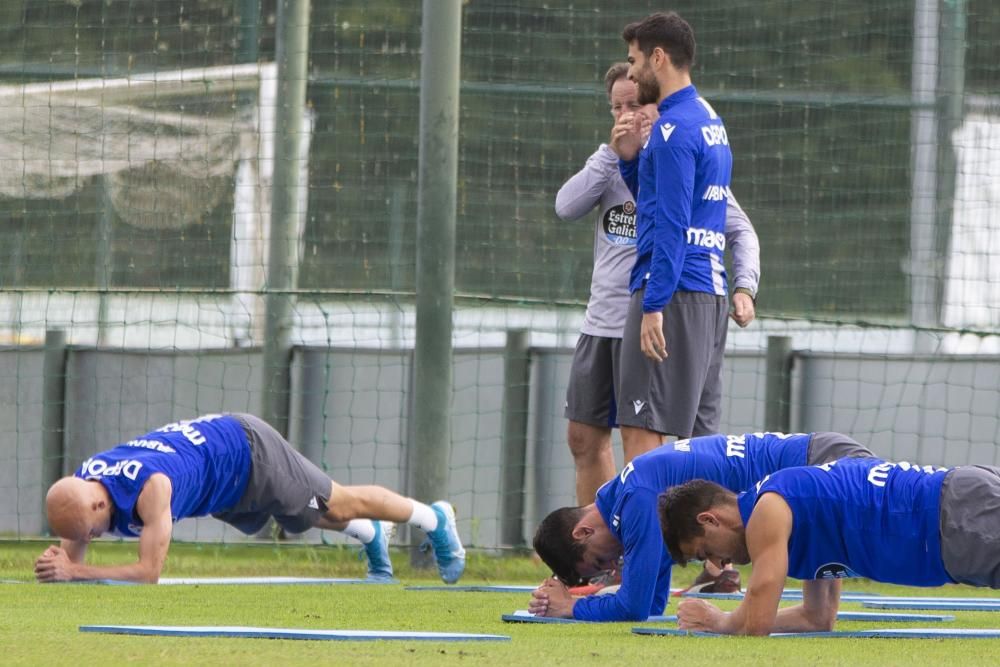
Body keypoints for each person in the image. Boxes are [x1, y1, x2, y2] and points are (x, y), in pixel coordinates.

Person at [556, 61, 760, 506]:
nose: (630, 115)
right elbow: (565, 205)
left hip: (658, 314)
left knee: (654, 439)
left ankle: (665, 547)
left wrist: (744, 286)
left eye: (638, 103)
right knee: (583, 437)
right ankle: (599, 545)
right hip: (603, 322)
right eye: (618, 107)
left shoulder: (679, 154)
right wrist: (614, 155)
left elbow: (738, 229)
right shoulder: (610, 163)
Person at [33, 413, 466, 584]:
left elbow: (149, 573)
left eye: (94, 530)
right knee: (301, 515)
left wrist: (76, 571)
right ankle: (370, 534)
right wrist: (64, 567)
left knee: (337, 503)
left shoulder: (152, 490)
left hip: (247, 453)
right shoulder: (85, 483)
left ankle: (434, 519)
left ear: (97, 505)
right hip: (219, 484)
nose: (93, 537)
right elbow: (75, 554)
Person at [529, 432, 873, 621]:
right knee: (820, 618)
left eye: (600, 562)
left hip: (824, 468)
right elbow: (650, 605)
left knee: (906, 543)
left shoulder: (636, 499)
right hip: (823, 459)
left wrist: (571, 607)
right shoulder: (628, 494)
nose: (613, 566)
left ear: (583, 532)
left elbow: (632, 607)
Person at [659, 456, 1000, 636]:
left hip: (953, 516)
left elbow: (756, 623)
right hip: (955, 517)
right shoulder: (794, 517)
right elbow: (818, 618)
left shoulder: (768, 511)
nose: (717, 564)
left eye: (706, 552)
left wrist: (720, 621)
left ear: (710, 519)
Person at [609, 13, 739, 460]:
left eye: (634, 60)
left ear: (658, 58)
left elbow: (670, 224)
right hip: (709, 292)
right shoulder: (709, 120)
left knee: (642, 439)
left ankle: (650, 535)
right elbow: (668, 202)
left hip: (674, 292)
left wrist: (653, 305)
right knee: (697, 449)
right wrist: (629, 162)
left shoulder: (671, 129)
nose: (630, 73)